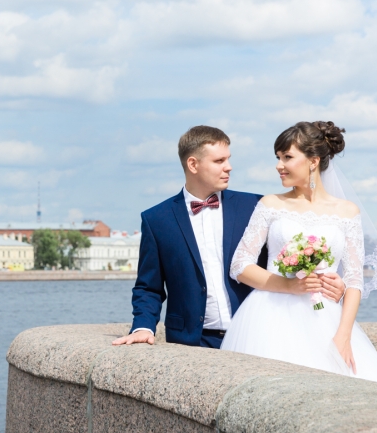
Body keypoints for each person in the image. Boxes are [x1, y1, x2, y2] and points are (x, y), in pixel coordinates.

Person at [113, 125, 347, 349]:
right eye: (219, 161)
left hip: (255, 334)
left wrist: (331, 285)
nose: (229, 167)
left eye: (228, 159)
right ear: (193, 164)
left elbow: (295, 256)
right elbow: (149, 287)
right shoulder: (157, 219)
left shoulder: (255, 205)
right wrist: (143, 327)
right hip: (191, 342)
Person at [220, 121, 377, 386]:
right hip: (269, 315)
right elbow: (239, 264)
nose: (279, 165)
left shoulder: (347, 212)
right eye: (278, 157)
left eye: (287, 157)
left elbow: (354, 280)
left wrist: (343, 335)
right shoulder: (270, 204)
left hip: (324, 315)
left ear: (313, 161)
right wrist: (289, 285)